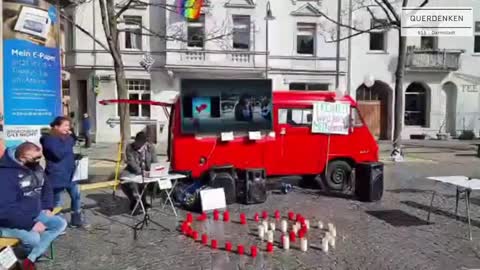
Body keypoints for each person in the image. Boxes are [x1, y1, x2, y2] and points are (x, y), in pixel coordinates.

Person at [0, 142, 67, 270]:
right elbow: (5, 211)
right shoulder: (5, 175)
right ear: (23, 159)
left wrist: (47, 206)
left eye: (40, 157)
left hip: (34, 213)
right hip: (8, 221)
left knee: (60, 224)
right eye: (35, 158)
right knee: (33, 238)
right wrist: (30, 225)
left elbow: (46, 186)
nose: (39, 161)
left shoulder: (35, 166)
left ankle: (30, 259)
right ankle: (18, 256)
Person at [40, 116, 89, 228]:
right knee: (57, 202)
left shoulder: (64, 138)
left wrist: (75, 154)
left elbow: (68, 148)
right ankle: (58, 224)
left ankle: (76, 220)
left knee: (76, 197)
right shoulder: (48, 139)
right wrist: (69, 139)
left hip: (71, 174)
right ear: (56, 126)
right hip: (56, 175)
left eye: (69, 125)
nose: (68, 128)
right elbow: (58, 154)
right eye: (65, 125)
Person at [120, 131, 158, 213]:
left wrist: (153, 171)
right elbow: (131, 163)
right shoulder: (129, 147)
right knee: (123, 179)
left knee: (145, 182)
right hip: (133, 169)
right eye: (137, 142)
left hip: (147, 170)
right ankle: (133, 199)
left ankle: (143, 201)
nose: (137, 145)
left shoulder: (150, 147)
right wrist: (141, 172)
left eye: (140, 143)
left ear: (144, 142)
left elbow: (155, 161)